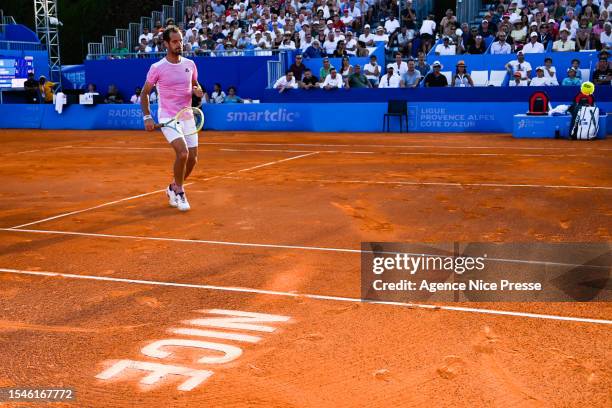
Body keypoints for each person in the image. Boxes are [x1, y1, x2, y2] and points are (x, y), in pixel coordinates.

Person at [141, 26, 204, 212]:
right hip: (168, 117)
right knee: (182, 153)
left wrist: (197, 91)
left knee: (192, 159)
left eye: (181, 41)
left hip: (187, 116)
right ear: (166, 44)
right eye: (175, 42)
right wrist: (147, 117)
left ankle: (173, 188)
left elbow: (195, 85)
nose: (179, 45)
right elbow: (145, 94)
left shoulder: (190, 64)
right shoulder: (157, 68)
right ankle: (180, 191)